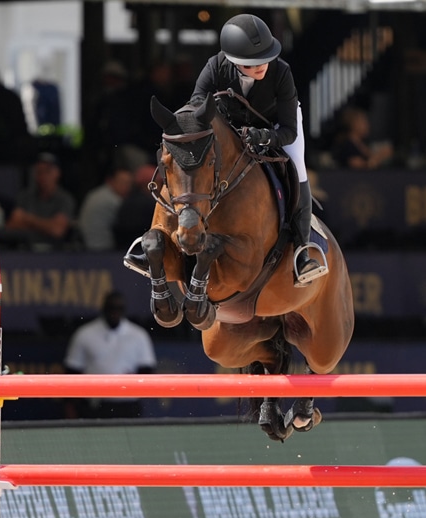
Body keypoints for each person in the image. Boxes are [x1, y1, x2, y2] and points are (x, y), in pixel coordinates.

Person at [183, 13, 327, 286]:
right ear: (234, 61)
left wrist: (265, 137)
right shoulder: (215, 67)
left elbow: (288, 131)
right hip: (230, 126)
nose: (262, 65)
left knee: (297, 168)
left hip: (275, 126)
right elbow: (196, 108)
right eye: (253, 63)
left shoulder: (281, 71)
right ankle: (160, 234)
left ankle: (302, 250)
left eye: (265, 58)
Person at [63, 291, 157, 419]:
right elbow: (72, 371)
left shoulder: (138, 335)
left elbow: (147, 369)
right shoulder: (85, 334)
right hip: (96, 405)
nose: (115, 312)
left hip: (128, 404)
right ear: (103, 308)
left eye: (119, 308)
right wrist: (71, 406)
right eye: (111, 307)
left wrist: (130, 384)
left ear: (124, 310)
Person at [8, 152, 77, 247]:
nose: (43, 176)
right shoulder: (25, 196)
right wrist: (47, 225)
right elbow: (12, 226)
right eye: (39, 172)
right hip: (25, 251)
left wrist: (27, 219)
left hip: (55, 253)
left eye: (47, 171)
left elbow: (57, 230)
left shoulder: (64, 198)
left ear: (57, 173)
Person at [79, 162, 135, 251]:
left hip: (87, 246)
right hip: (101, 250)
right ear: (110, 181)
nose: (126, 186)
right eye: (122, 182)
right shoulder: (111, 200)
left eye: (129, 183)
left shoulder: (95, 193)